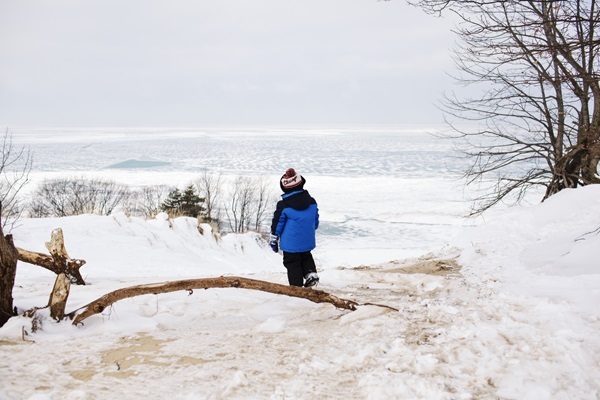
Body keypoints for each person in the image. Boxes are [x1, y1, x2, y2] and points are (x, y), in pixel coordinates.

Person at [270, 168, 320, 287]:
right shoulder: (312, 202)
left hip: (290, 243)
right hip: (307, 238)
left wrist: (273, 239)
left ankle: (296, 287)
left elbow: (277, 223)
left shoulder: (283, 205)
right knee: (306, 256)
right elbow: (315, 220)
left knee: (292, 263)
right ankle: (311, 273)